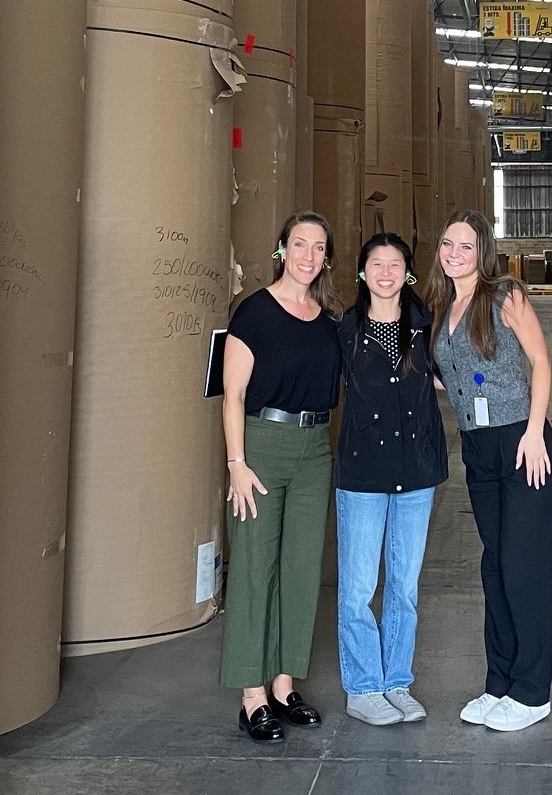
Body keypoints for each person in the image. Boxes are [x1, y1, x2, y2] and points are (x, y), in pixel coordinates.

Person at [424, 209, 552, 733]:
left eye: (464, 245)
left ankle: (532, 692)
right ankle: (499, 682)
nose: (454, 253)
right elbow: (451, 375)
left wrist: (532, 430)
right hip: (478, 448)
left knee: (525, 569)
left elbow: (541, 363)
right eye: (446, 244)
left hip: (521, 443)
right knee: (495, 567)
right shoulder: (444, 306)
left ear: (482, 251)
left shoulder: (506, 295)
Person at [220, 212, 343, 743]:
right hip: (262, 447)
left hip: (316, 448)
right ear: (281, 250)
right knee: (254, 566)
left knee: (300, 568)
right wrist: (236, 463)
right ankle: (252, 696)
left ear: (326, 259)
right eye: (299, 244)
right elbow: (233, 397)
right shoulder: (254, 313)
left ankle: (285, 684)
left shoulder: (329, 319)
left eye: (318, 247)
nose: (308, 256)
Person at [333, 233, 449, 725]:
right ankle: (363, 688)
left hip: (416, 469)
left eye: (395, 263)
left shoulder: (427, 328)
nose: (385, 272)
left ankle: (396, 681)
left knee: (403, 585)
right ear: (362, 273)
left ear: (408, 272)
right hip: (363, 472)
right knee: (359, 585)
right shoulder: (344, 331)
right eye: (375, 264)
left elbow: (460, 373)